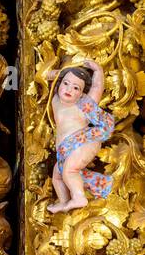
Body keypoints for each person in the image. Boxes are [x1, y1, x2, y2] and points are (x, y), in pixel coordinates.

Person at [48, 59, 114, 213]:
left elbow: (97, 87)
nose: (69, 89)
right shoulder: (55, 99)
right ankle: (64, 201)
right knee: (57, 175)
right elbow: (46, 75)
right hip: (65, 150)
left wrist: (98, 71)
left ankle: (79, 197)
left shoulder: (83, 105)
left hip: (84, 142)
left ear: (81, 93)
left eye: (76, 87)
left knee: (69, 171)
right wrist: (64, 72)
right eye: (66, 84)